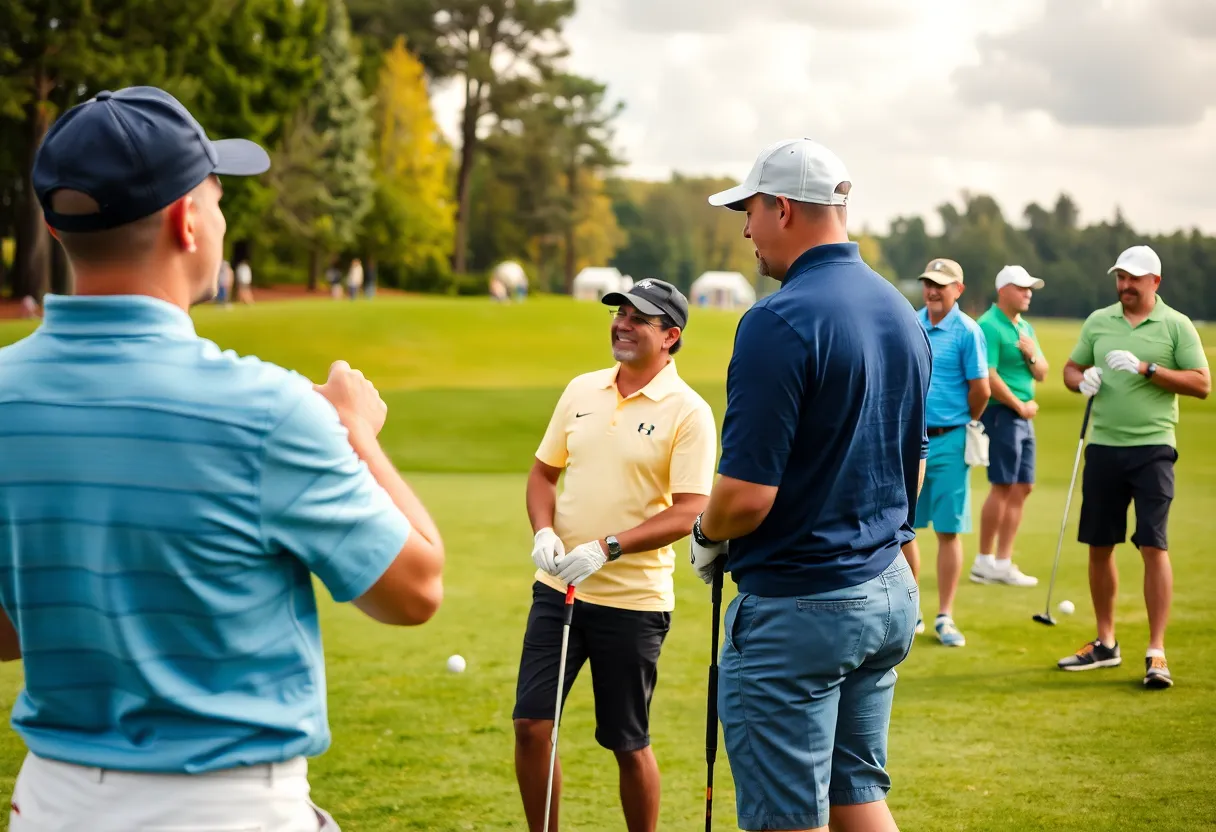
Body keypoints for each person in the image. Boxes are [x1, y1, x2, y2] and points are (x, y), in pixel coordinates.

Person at [0, 85, 445, 831]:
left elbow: (7, 634)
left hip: (50, 803)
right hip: (226, 808)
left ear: (53, 223)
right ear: (187, 220)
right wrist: (355, 430)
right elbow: (415, 590)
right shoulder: (270, 409)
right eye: (217, 197)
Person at [691, 138, 930, 832]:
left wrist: (707, 533)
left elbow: (746, 496)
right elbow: (911, 467)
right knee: (856, 796)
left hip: (802, 607)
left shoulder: (777, 320)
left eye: (749, 211)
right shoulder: (900, 311)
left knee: (788, 819)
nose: (745, 230)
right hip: (887, 587)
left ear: (783, 208)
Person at [514, 278, 716, 832]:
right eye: (619, 313)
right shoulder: (582, 390)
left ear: (670, 335)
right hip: (558, 589)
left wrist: (609, 547)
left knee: (628, 742)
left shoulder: (689, 411)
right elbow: (542, 474)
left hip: (633, 602)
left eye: (638, 318)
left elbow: (690, 510)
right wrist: (543, 531)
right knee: (532, 726)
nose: (621, 324)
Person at [1058, 244, 1209, 689]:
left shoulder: (1176, 325)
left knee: (1152, 545)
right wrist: (1081, 381)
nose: (1124, 285)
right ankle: (1106, 643)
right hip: (1103, 446)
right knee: (1099, 544)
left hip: (1153, 449)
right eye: (1120, 277)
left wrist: (1148, 368)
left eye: (1133, 279)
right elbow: (1070, 369)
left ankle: (1156, 651)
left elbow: (1201, 383)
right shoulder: (1098, 321)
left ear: (1155, 282)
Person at [900, 258, 990, 647]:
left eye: (941, 284)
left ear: (958, 289)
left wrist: (961, 421)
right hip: (909, 438)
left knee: (948, 530)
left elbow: (981, 390)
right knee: (903, 527)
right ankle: (911, 609)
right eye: (928, 283)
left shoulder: (968, 331)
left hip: (951, 439)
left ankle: (945, 616)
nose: (933, 290)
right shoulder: (910, 322)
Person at [971, 265, 1048, 587]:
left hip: (1022, 415)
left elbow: (1042, 372)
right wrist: (1019, 406)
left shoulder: (1025, 327)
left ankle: (1002, 562)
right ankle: (984, 561)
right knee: (1003, 484)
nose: (1028, 293)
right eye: (1022, 288)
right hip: (1002, 414)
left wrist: (1031, 355)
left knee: (1023, 485)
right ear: (1003, 290)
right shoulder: (989, 325)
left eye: (1030, 288)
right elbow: (988, 375)